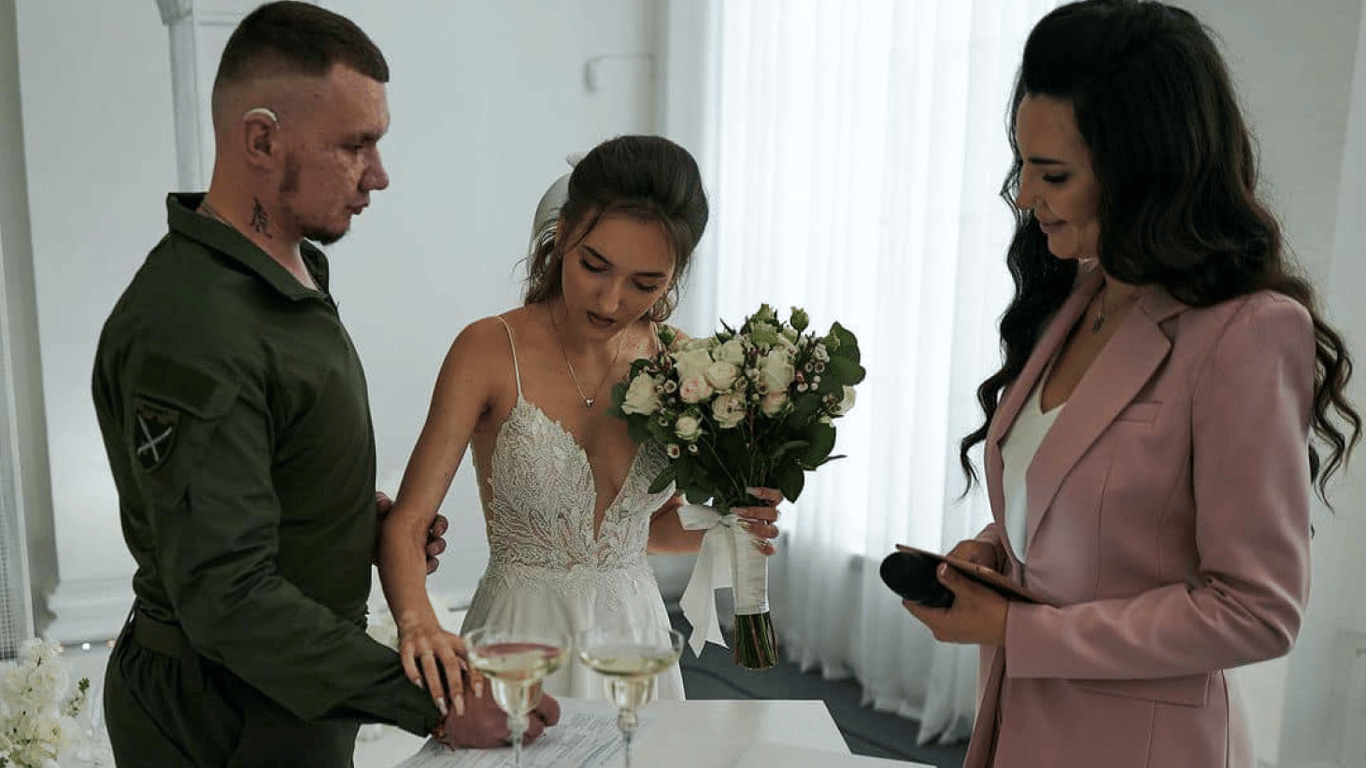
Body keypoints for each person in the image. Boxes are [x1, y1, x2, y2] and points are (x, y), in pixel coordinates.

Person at [91, 3, 557, 765]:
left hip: (285, 695)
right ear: (261, 140)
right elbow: (228, 597)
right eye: (355, 145)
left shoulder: (287, 272)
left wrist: (343, 523)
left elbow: (256, 465)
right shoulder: (194, 327)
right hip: (225, 714)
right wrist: (434, 704)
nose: (379, 174)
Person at [900, 2, 1360, 767]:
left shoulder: (1246, 334)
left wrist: (1021, 628)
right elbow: (1079, 515)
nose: (1024, 196)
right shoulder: (1081, 297)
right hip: (1022, 731)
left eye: (1053, 174)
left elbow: (1258, 611)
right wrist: (993, 557)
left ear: (1143, 171)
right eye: (1023, 165)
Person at [378, 135, 784, 704]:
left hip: (633, 642)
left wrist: (729, 524)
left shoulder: (681, 367)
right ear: (563, 232)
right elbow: (407, 523)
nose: (611, 301)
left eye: (646, 283)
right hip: (519, 639)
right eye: (595, 266)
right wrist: (419, 624)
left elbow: (647, 530)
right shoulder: (488, 350)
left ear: (675, 275)